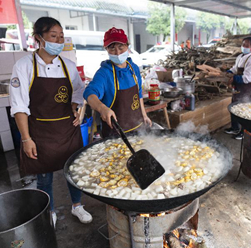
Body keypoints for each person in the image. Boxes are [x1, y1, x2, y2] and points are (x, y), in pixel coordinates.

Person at [9, 17, 93, 227]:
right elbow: (19, 107)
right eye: (54, 36)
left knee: (73, 169)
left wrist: (76, 108)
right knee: (44, 175)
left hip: (67, 129)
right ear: (39, 38)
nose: (59, 40)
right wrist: (26, 139)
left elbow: (80, 92)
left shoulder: (68, 66)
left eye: (61, 36)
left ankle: (77, 206)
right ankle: (50, 210)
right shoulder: (24, 66)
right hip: (40, 131)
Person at [84, 27, 152, 138]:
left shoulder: (133, 68)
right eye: (112, 49)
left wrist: (144, 116)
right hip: (115, 135)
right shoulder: (104, 73)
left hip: (138, 129)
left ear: (127, 46)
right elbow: (89, 93)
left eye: (121, 47)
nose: (117, 53)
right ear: (106, 49)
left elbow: (138, 94)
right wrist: (102, 108)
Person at [224, 37, 251, 140]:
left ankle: (243, 132)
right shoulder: (241, 56)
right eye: (243, 44)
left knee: (243, 109)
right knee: (233, 106)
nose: (244, 47)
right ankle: (234, 127)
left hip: (248, 86)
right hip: (240, 86)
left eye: (246, 46)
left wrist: (234, 78)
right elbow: (235, 68)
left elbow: (247, 78)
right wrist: (229, 72)